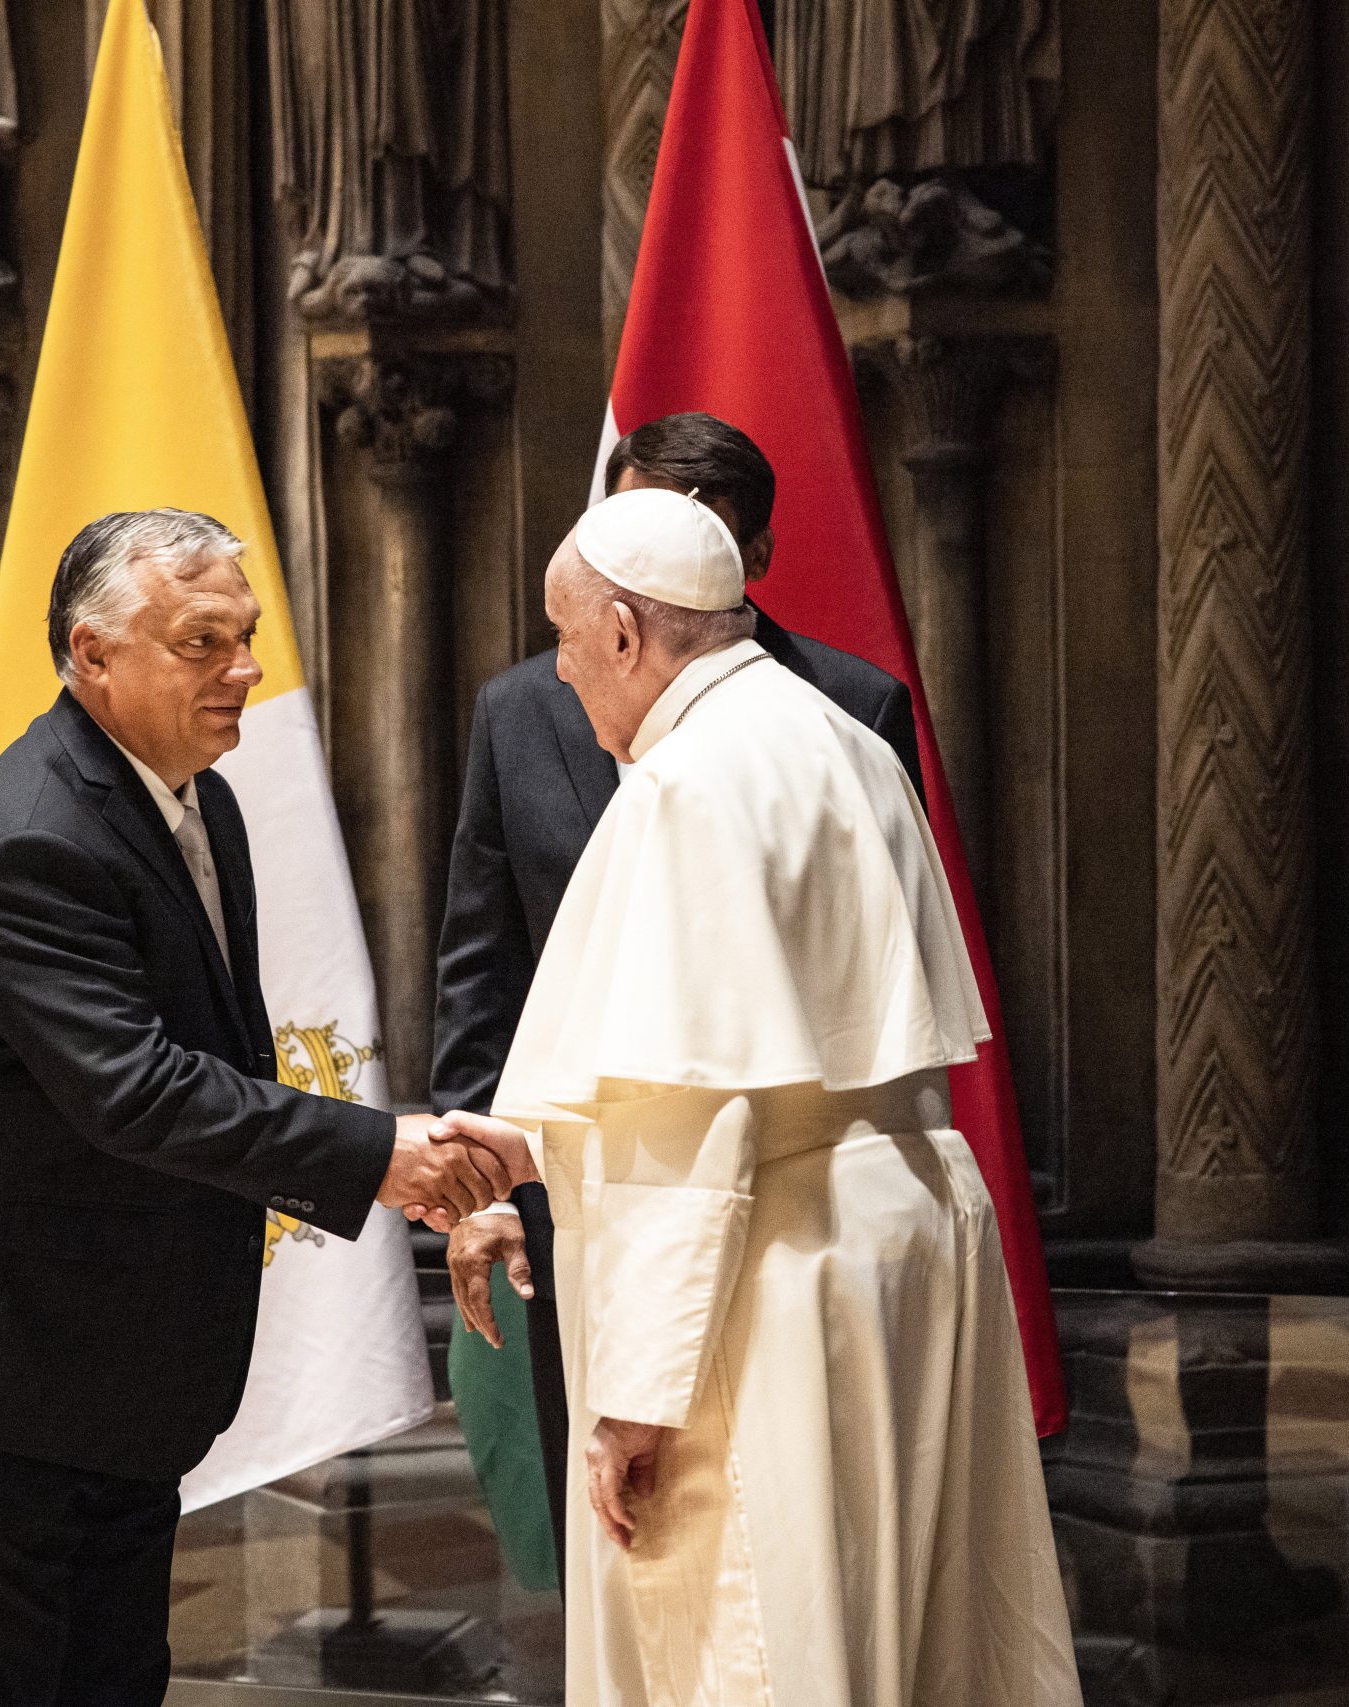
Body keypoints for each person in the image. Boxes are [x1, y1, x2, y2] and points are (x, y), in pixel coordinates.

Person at [0, 508, 532, 1707]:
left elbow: (211, 1054)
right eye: (202, 641)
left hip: (99, 1366)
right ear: (92, 655)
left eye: (244, 636)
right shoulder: (29, 844)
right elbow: (136, 1090)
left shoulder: (193, 797)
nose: (243, 668)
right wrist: (380, 1157)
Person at [469, 487, 1079, 1705]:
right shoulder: (835, 735)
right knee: (904, 1625)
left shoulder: (689, 783)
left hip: (767, 1273)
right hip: (895, 1237)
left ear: (629, 636)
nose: (565, 679)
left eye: (568, 641)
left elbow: (686, 1113)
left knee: (751, 1637)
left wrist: (637, 1394)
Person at [433, 411, 924, 1575]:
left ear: (745, 561)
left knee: (751, 1560)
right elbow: (481, 961)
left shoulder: (841, 714)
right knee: (604, 1546)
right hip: (575, 1188)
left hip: (773, 1210)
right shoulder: (521, 710)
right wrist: (478, 1182)